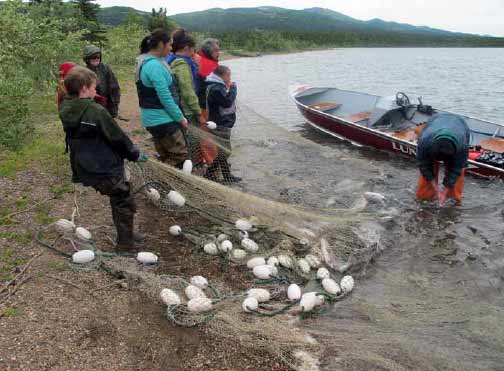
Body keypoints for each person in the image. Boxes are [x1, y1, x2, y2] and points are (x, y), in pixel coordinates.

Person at [59, 66, 147, 252]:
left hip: (84, 165)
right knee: (123, 198)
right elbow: (117, 138)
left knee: (118, 196)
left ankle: (127, 234)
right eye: (93, 87)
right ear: (83, 88)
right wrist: (134, 153)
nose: (95, 90)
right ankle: (125, 245)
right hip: (102, 166)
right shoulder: (96, 111)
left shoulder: (65, 107)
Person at [135, 29, 188, 168]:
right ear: (160, 45)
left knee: (166, 154)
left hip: (153, 120)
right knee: (180, 154)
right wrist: (180, 118)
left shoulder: (148, 61)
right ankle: (162, 179)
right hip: (162, 120)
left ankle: (167, 186)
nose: (171, 49)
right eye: (169, 45)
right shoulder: (154, 65)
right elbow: (165, 97)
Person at [416, 113, 470, 205]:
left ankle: (453, 202)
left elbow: (456, 169)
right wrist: (436, 190)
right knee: (425, 187)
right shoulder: (424, 141)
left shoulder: (462, 146)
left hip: (460, 126)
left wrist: (444, 193)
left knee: (456, 179)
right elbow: (424, 165)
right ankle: (425, 198)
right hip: (436, 122)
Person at [204, 65, 241, 183]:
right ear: (221, 75)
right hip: (220, 124)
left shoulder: (217, 86)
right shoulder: (216, 88)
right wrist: (233, 88)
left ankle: (218, 174)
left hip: (220, 123)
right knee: (225, 150)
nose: (230, 77)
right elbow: (227, 102)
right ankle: (216, 174)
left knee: (222, 150)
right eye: (228, 75)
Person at [83, 45, 121, 118]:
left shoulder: (105, 68)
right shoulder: (84, 72)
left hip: (107, 103)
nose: (96, 59)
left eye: (98, 57)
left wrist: (114, 104)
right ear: (87, 59)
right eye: (93, 57)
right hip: (93, 105)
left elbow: (114, 87)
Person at [196, 38, 220, 116]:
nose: (218, 53)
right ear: (208, 51)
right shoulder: (207, 65)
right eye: (216, 50)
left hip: (201, 103)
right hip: (204, 106)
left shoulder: (199, 58)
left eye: (218, 50)